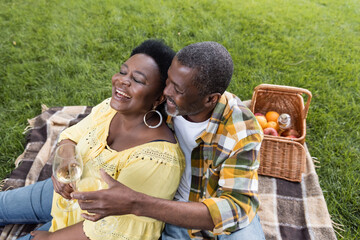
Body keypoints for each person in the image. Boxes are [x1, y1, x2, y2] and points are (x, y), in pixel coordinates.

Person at [71, 41, 266, 239]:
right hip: (171, 211)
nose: (166, 93)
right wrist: (67, 147)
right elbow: (108, 114)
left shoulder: (241, 130)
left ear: (210, 99)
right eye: (167, 81)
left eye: (178, 90)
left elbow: (236, 207)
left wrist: (137, 203)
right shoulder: (161, 102)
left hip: (218, 219)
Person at [0, 39, 185, 240]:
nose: (122, 81)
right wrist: (65, 161)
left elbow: (116, 230)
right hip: (63, 195)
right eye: (123, 72)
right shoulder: (109, 109)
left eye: (138, 80)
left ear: (158, 98)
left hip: (93, 226)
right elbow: (71, 136)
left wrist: (50, 238)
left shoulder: (158, 160)